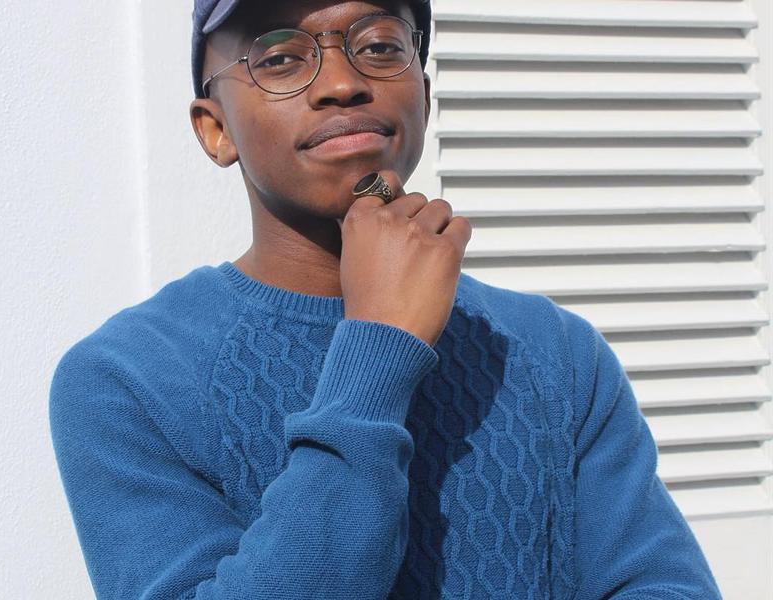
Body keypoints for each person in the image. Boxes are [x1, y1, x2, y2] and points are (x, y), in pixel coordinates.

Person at [48, 0, 724, 598]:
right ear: (215, 129)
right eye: (280, 57)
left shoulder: (554, 350)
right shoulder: (126, 379)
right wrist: (378, 349)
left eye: (378, 45)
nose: (343, 82)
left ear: (423, 95)